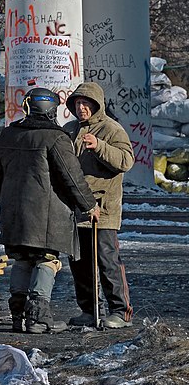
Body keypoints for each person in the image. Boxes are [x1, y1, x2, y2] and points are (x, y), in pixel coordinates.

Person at [0, 87, 99, 334]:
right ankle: (38, 318)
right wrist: (89, 205)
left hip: (14, 212)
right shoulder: (56, 138)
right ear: (52, 109)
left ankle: (18, 316)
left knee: (22, 259)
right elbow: (72, 176)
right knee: (46, 259)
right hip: (46, 215)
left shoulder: (8, 134)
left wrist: (6, 195)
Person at [63, 81, 135, 329]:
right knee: (79, 264)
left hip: (103, 209)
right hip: (76, 209)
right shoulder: (70, 129)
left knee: (107, 261)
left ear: (97, 105)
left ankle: (120, 311)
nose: (81, 108)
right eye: (77, 103)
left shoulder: (111, 129)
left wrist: (99, 146)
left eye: (86, 103)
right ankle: (90, 309)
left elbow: (126, 161)